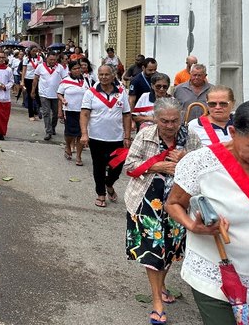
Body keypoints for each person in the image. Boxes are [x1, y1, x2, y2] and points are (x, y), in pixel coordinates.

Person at [167, 100, 249, 325]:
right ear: (233, 132)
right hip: (216, 278)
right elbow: (173, 204)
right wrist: (192, 225)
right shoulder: (201, 163)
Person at [124, 97, 203, 325]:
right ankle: (157, 301)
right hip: (147, 202)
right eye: (164, 121)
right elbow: (129, 165)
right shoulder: (145, 135)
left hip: (178, 204)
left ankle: (161, 285)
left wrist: (185, 158)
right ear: (155, 119)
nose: (169, 126)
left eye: (174, 121)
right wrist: (156, 165)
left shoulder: (190, 137)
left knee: (169, 250)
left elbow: (206, 165)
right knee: (153, 251)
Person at [80, 64, 132, 208]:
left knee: (117, 168)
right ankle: (101, 194)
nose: (103, 77)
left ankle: (109, 184)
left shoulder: (121, 92)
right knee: (99, 167)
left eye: (106, 74)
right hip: (96, 138)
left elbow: (127, 115)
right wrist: (84, 134)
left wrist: (127, 136)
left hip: (116, 138)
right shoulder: (90, 92)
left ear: (113, 75)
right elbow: (84, 114)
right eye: (101, 74)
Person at [57, 60, 87, 166]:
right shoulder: (65, 81)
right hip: (69, 110)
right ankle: (68, 145)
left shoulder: (86, 80)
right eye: (74, 68)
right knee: (70, 133)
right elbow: (59, 94)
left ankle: (79, 156)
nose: (77, 70)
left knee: (80, 133)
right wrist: (62, 100)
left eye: (79, 68)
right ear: (70, 70)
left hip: (83, 111)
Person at [32, 51, 64, 141]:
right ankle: (48, 131)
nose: (53, 61)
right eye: (51, 59)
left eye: (54, 59)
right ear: (47, 59)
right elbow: (35, 79)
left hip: (56, 94)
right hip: (44, 93)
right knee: (46, 113)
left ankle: (53, 127)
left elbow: (65, 79)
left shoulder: (60, 67)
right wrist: (33, 90)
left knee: (55, 114)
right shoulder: (40, 67)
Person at [22, 47, 42, 120]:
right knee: (30, 96)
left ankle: (37, 111)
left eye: (36, 51)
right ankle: (31, 114)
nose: (35, 52)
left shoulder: (40, 59)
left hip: (37, 79)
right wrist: (22, 80)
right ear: (30, 51)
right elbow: (24, 70)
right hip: (28, 78)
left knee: (37, 95)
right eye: (33, 51)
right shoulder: (26, 59)